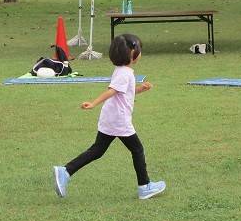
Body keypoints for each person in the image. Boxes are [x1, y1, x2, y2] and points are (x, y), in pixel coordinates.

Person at [53, 34, 165, 200]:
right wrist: (93, 103)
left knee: (97, 150)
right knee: (137, 149)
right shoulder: (125, 73)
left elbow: (124, 91)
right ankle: (145, 186)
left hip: (111, 117)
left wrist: (141, 89)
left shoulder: (122, 71)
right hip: (119, 120)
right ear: (132, 52)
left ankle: (65, 171)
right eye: (139, 50)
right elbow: (112, 90)